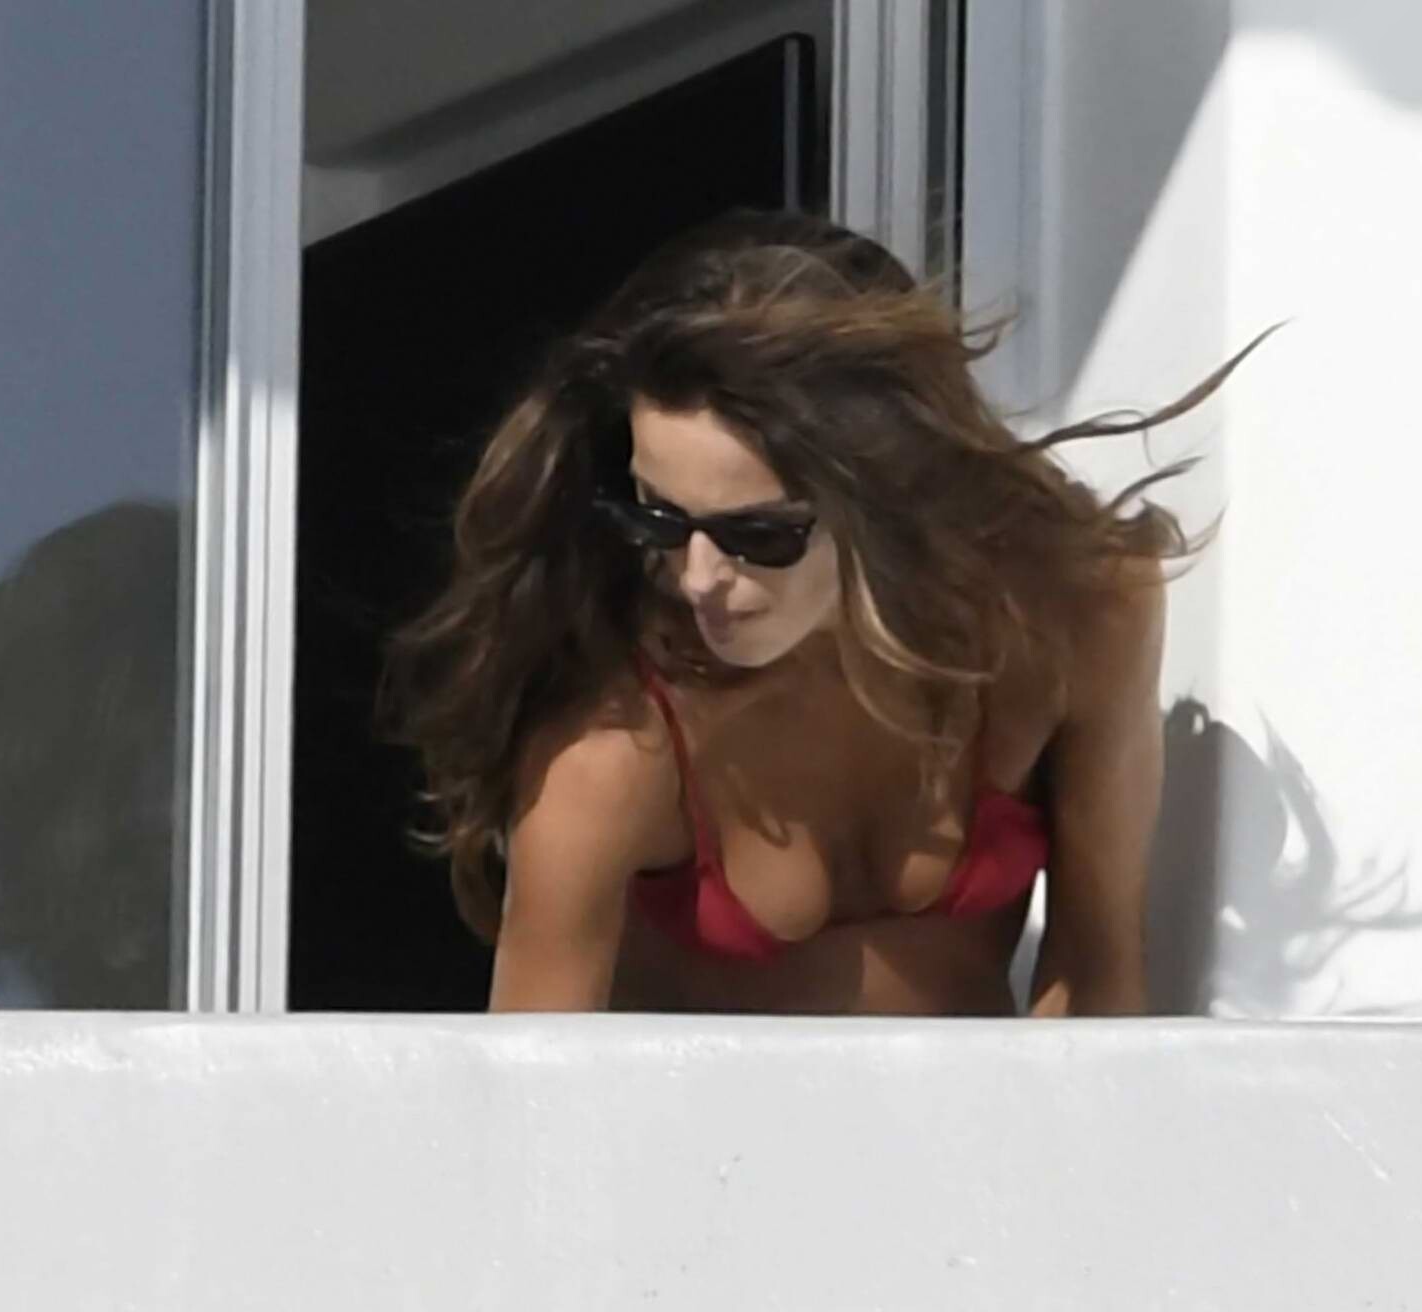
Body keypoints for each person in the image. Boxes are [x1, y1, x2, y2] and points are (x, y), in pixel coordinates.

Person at [379, 206, 1281, 1015]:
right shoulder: (612, 748)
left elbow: (1099, 973)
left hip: (972, 1142)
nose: (697, 578)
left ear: (891, 492)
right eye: (660, 519)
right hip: (696, 1150)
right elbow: (533, 1096)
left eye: (758, 534)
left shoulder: (1075, 617)